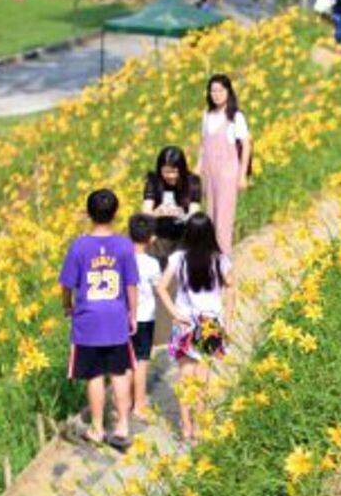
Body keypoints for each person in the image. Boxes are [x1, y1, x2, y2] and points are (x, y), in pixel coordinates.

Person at [58, 189, 140, 451]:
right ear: (115, 214)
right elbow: (131, 285)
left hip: (88, 323)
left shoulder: (79, 246)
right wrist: (133, 314)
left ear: (88, 213)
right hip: (116, 320)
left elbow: (66, 285)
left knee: (94, 376)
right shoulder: (124, 245)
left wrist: (67, 306)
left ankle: (96, 427)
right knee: (119, 373)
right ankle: (123, 426)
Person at [155, 211, 233, 443]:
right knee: (202, 377)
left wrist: (174, 313)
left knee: (185, 376)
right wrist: (227, 320)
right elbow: (231, 287)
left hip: (185, 322)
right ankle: (200, 426)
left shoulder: (178, 257)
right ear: (210, 233)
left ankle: (186, 426)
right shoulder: (220, 258)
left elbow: (160, 288)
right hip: (210, 322)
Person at [198, 74, 250, 258]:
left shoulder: (235, 116)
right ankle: (212, 262)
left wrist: (242, 175)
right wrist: (198, 169)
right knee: (210, 217)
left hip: (228, 171)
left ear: (229, 92)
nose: (217, 94)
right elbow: (203, 145)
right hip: (209, 172)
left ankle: (224, 265)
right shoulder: (207, 115)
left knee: (223, 220)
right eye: (213, 90)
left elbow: (246, 145)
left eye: (221, 90)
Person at [128, 213, 163, 424]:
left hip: (124, 319)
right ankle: (139, 405)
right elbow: (160, 289)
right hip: (145, 318)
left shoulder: (121, 260)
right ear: (152, 239)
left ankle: (124, 402)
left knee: (125, 362)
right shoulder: (152, 264)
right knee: (141, 361)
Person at [140, 145, 202, 259]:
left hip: (183, 235)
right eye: (166, 172)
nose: (170, 176)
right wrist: (156, 213)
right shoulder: (153, 182)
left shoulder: (192, 182)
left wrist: (181, 215)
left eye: (174, 172)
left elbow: (195, 215)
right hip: (159, 235)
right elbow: (145, 213)